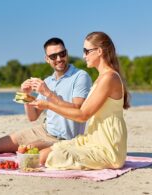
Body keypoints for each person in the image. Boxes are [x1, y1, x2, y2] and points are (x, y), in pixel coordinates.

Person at [30, 31, 130, 170]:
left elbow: (83, 115)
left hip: (107, 148)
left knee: (52, 156)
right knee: (42, 154)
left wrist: (48, 105)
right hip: (93, 140)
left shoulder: (109, 78)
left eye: (86, 51)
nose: (84, 56)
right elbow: (81, 111)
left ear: (99, 51)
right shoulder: (102, 77)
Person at [0, 37, 92, 153]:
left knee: (26, 150)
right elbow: (32, 117)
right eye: (53, 56)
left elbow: (78, 109)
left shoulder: (80, 76)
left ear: (67, 53)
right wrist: (26, 95)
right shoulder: (48, 81)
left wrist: (48, 93)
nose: (59, 59)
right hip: (44, 130)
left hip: (66, 139)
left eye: (62, 54)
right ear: (47, 59)